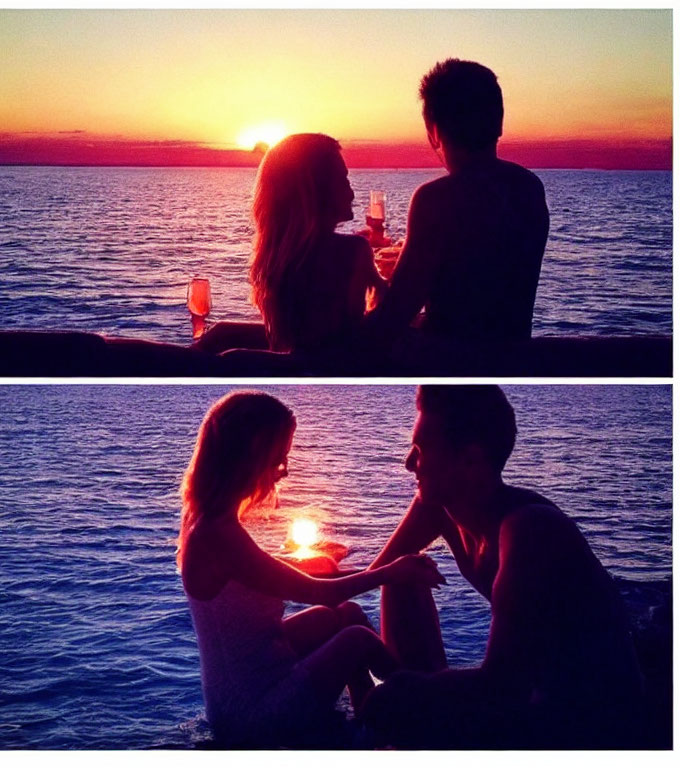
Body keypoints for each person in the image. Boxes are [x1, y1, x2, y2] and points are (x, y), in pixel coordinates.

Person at [363, 385, 643, 749]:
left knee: (398, 702)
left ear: (470, 461)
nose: (408, 463)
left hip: (585, 714)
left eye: (420, 449)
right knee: (401, 575)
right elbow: (373, 575)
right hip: (521, 696)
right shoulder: (438, 506)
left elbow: (503, 685)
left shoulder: (528, 529)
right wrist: (323, 592)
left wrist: (404, 688)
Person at [177, 391, 444, 747]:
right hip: (250, 712)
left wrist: (317, 562)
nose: (283, 472)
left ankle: (369, 714)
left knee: (345, 614)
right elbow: (319, 592)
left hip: (255, 672)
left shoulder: (209, 523)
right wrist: (392, 571)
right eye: (279, 461)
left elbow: (255, 577)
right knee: (358, 639)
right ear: (252, 454)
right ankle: (426, 701)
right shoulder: (219, 535)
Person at [366, 59, 549, 344]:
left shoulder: (435, 199)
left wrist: (366, 273)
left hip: (449, 363)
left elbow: (392, 320)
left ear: (434, 132)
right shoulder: (529, 188)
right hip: (512, 356)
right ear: (499, 122)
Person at [194, 134, 387, 356]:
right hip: (338, 368)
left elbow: (297, 339)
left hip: (294, 367)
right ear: (317, 190)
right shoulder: (353, 250)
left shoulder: (280, 256)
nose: (352, 192)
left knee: (221, 334)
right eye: (343, 180)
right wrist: (384, 268)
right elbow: (379, 323)